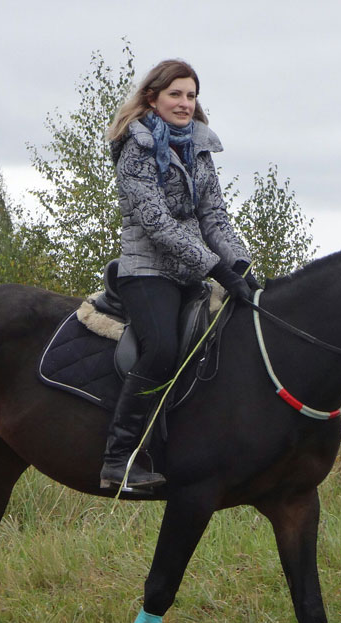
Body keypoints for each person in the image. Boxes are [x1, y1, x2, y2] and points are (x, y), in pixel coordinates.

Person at [100, 59, 259, 493]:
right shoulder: (135, 148)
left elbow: (215, 218)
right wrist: (216, 268)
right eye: (175, 94)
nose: (185, 103)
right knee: (162, 348)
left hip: (192, 272)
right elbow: (156, 223)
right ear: (153, 98)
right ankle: (119, 457)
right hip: (146, 272)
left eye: (191, 95)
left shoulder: (200, 149)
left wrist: (241, 265)